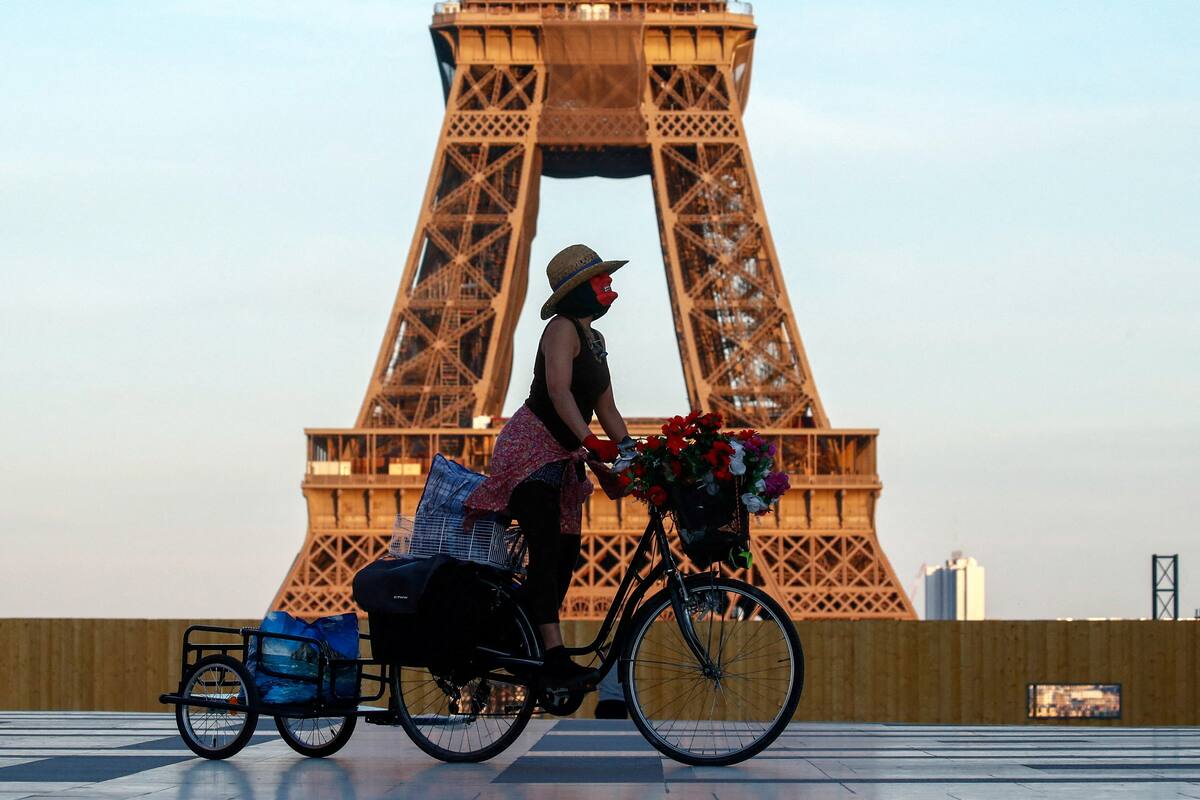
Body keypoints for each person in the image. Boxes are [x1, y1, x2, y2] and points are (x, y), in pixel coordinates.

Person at [465, 244, 632, 683]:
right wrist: (590, 442)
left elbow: (608, 406)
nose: (610, 286)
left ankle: (522, 634)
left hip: (563, 457)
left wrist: (632, 449)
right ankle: (553, 657)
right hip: (531, 449)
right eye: (601, 281)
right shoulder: (560, 329)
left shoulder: (595, 340)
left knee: (565, 558)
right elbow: (558, 392)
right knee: (546, 549)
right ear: (578, 291)